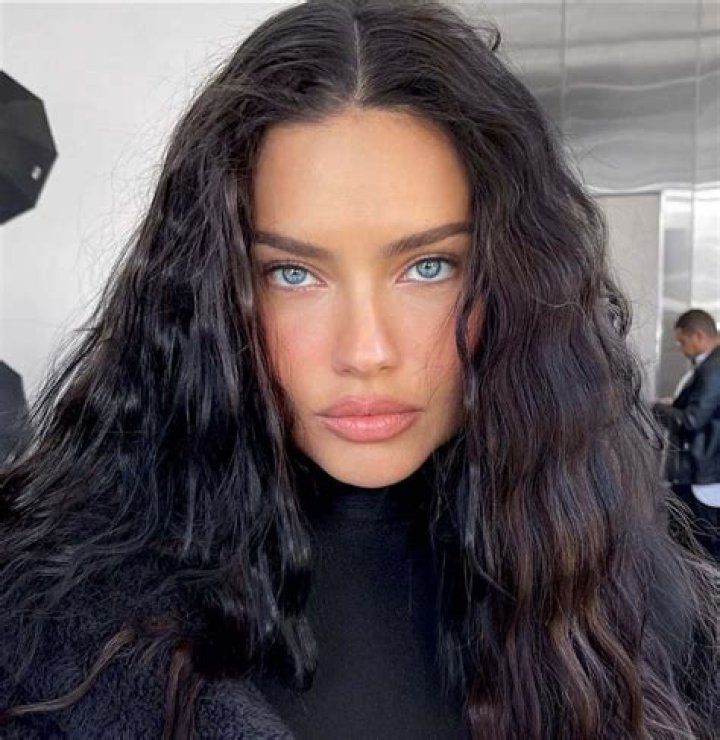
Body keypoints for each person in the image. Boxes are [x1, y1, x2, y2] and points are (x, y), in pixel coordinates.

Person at [0, 1, 717, 738]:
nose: (367, 350)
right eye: (293, 274)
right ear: (209, 292)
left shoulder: (636, 603)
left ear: (516, 280)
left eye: (429, 267)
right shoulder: (44, 624)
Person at [653, 309, 720, 561]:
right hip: (703, 471)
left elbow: (692, 420)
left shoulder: (714, 367)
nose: (682, 349)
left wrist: (659, 409)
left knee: (700, 548)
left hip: (702, 473)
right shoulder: (709, 365)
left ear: (698, 335)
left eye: (682, 342)